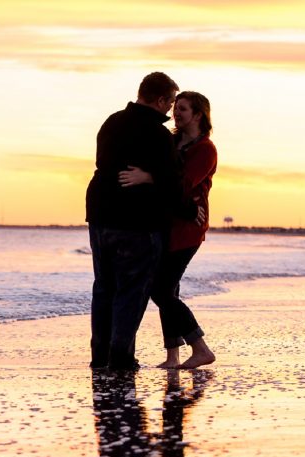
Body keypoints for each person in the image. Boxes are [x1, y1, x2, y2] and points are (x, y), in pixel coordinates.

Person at [85, 72, 195, 371]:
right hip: (137, 222)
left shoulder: (111, 122)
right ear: (159, 100)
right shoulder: (157, 135)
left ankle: (100, 356)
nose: (170, 109)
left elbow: (104, 164)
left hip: (100, 215)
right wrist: (189, 210)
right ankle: (120, 356)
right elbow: (172, 184)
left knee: (104, 287)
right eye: (170, 102)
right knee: (131, 290)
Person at [118, 91, 217, 369]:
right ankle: (173, 355)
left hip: (188, 227)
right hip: (163, 224)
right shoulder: (171, 141)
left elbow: (183, 184)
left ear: (198, 115)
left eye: (183, 109)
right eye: (175, 107)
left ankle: (200, 348)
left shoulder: (205, 149)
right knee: (168, 290)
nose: (176, 113)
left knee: (160, 290)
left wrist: (148, 177)